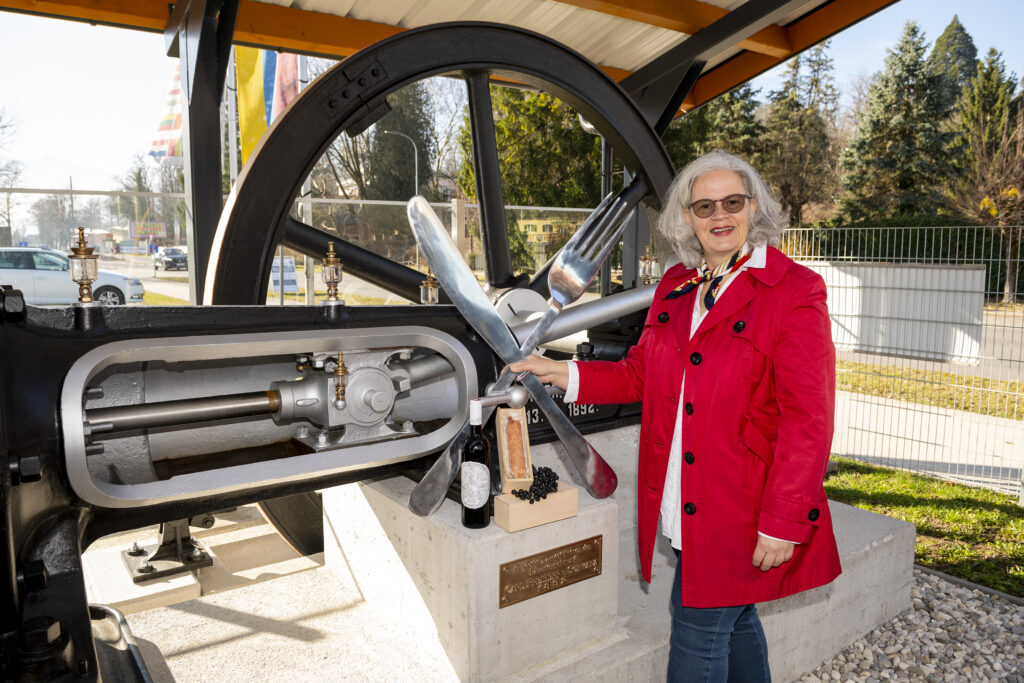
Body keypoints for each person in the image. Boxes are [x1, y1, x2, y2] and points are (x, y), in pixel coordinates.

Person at [510, 151, 841, 682]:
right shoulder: (678, 286)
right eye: (704, 205)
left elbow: (809, 420)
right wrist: (562, 374)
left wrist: (783, 521)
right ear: (686, 217)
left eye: (732, 201)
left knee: (696, 629)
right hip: (686, 493)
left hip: (743, 504)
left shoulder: (794, 290)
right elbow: (641, 374)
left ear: (754, 208)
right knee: (733, 620)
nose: (719, 215)